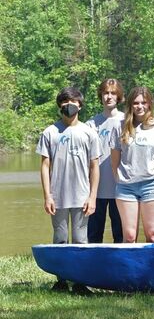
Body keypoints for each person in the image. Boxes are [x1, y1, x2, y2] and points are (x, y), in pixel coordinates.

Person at [37, 87, 100, 293]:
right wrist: (48, 196)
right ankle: (61, 280)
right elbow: (45, 166)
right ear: (59, 107)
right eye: (64, 103)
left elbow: (94, 167)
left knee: (81, 240)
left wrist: (92, 197)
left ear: (80, 105)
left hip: (82, 196)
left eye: (72, 102)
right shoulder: (50, 132)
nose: (68, 106)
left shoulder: (88, 132)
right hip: (58, 196)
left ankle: (80, 282)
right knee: (60, 239)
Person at [111, 86, 154, 244]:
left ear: (150, 104)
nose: (139, 106)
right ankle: (129, 269)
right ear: (130, 105)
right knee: (130, 236)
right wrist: (119, 179)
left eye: (143, 103)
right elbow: (114, 159)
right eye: (136, 103)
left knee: (153, 235)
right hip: (126, 186)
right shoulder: (119, 127)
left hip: (152, 185)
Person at [86, 78, 124, 243]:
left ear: (119, 96)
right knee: (94, 235)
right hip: (96, 190)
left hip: (121, 188)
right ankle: (93, 266)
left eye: (113, 93)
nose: (109, 96)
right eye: (105, 93)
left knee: (121, 235)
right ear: (100, 96)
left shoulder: (126, 121)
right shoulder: (91, 124)